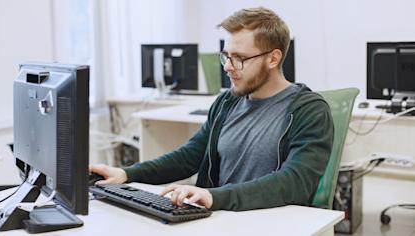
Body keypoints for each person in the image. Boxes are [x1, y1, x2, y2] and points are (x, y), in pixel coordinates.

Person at [90, 7, 333, 211]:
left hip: (268, 221)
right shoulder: (227, 103)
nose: (228, 67)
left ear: (273, 58)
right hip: (220, 219)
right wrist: (127, 174)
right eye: (226, 56)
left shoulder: (308, 111)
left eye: (239, 58)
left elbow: (294, 183)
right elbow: (190, 156)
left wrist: (215, 197)